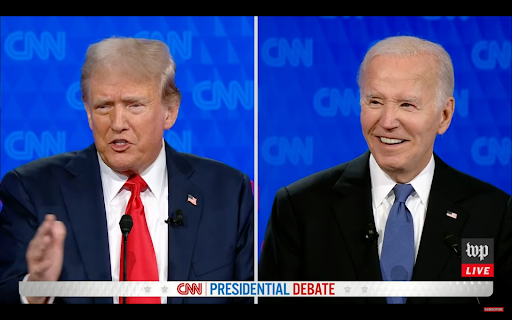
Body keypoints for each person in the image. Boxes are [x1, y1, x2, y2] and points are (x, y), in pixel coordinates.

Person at [258, 35, 511, 304]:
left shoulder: (493, 213)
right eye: (375, 101)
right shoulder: (299, 207)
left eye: (407, 105)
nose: (388, 122)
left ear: (444, 115)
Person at [0, 37, 254, 304]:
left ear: (170, 111)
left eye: (134, 105)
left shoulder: (227, 192)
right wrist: (37, 287)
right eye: (104, 106)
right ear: (88, 112)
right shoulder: (33, 191)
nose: (118, 123)